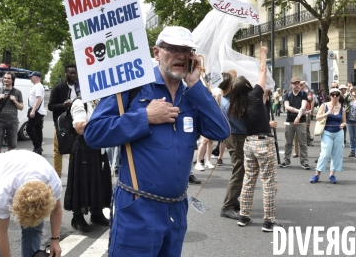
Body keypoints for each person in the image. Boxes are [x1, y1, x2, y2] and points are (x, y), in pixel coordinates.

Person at [84, 26, 230, 256]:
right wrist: (145, 117)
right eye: (172, 49)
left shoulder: (191, 95)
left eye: (186, 50)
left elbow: (220, 131)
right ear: (156, 52)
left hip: (176, 210)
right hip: (137, 207)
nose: (181, 55)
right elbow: (94, 132)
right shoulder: (132, 86)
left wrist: (196, 85)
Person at [183, 0, 291, 91]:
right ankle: (203, 82)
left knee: (218, 55)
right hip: (224, 17)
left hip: (232, 23)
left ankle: (210, 84)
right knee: (209, 50)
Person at [0, 150, 63, 257]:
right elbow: (0, 233)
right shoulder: (4, 192)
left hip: (17, 169)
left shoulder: (52, 183)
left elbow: (57, 209)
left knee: (34, 227)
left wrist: (55, 240)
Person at [230, 44, 279, 232]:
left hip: (249, 143)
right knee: (269, 182)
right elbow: (262, 70)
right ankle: (268, 220)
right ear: (248, 87)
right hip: (263, 142)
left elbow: (257, 112)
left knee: (249, 180)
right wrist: (263, 54)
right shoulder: (254, 96)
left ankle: (244, 215)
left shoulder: (237, 106)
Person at [65, 98, 111, 232]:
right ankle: (77, 217)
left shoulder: (99, 102)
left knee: (99, 181)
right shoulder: (79, 103)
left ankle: (96, 213)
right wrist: (104, 124)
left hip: (99, 147)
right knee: (82, 183)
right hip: (84, 148)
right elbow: (79, 128)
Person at [219, 71, 247, 220]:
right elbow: (242, 125)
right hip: (237, 138)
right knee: (239, 172)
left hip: (233, 137)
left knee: (239, 170)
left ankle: (233, 199)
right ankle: (227, 206)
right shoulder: (229, 103)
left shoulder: (226, 98)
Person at [48, 65, 79, 177]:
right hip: (61, 123)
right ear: (65, 73)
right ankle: (57, 176)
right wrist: (63, 105)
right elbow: (50, 106)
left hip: (76, 121)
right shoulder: (58, 88)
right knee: (58, 149)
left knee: (73, 148)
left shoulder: (79, 87)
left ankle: (72, 175)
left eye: (75, 73)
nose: (73, 75)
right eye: (71, 73)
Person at [310, 87, 346, 184]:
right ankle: (317, 174)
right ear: (330, 96)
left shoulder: (342, 108)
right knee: (325, 153)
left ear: (339, 96)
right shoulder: (324, 105)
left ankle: (332, 175)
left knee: (337, 154)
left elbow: (344, 122)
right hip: (327, 132)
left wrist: (343, 125)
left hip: (338, 133)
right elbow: (317, 117)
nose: (335, 96)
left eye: (337, 95)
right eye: (333, 94)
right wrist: (326, 113)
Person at [280, 77, 309, 169]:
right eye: (294, 83)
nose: (296, 85)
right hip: (289, 121)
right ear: (291, 84)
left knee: (303, 142)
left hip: (301, 122)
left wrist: (298, 117)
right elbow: (287, 107)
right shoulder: (287, 95)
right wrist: (300, 112)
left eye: (298, 83)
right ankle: (286, 160)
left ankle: (304, 161)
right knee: (288, 142)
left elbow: (303, 106)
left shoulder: (303, 94)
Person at [0, 72, 24, 154]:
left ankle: (9, 164)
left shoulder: (17, 92)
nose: (6, 80)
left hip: (13, 121)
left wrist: (14, 101)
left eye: (8, 78)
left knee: (12, 145)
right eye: (5, 78)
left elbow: (21, 107)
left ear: (13, 80)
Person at [26, 71, 47, 155]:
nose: (30, 78)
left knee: (29, 128)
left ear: (36, 77)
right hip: (38, 111)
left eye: (31, 77)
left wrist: (33, 110)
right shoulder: (37, 86)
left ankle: (37, 146)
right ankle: (38, 148)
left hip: (37, 111)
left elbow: (38, 98)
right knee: (38, 129)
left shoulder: (38, 86)